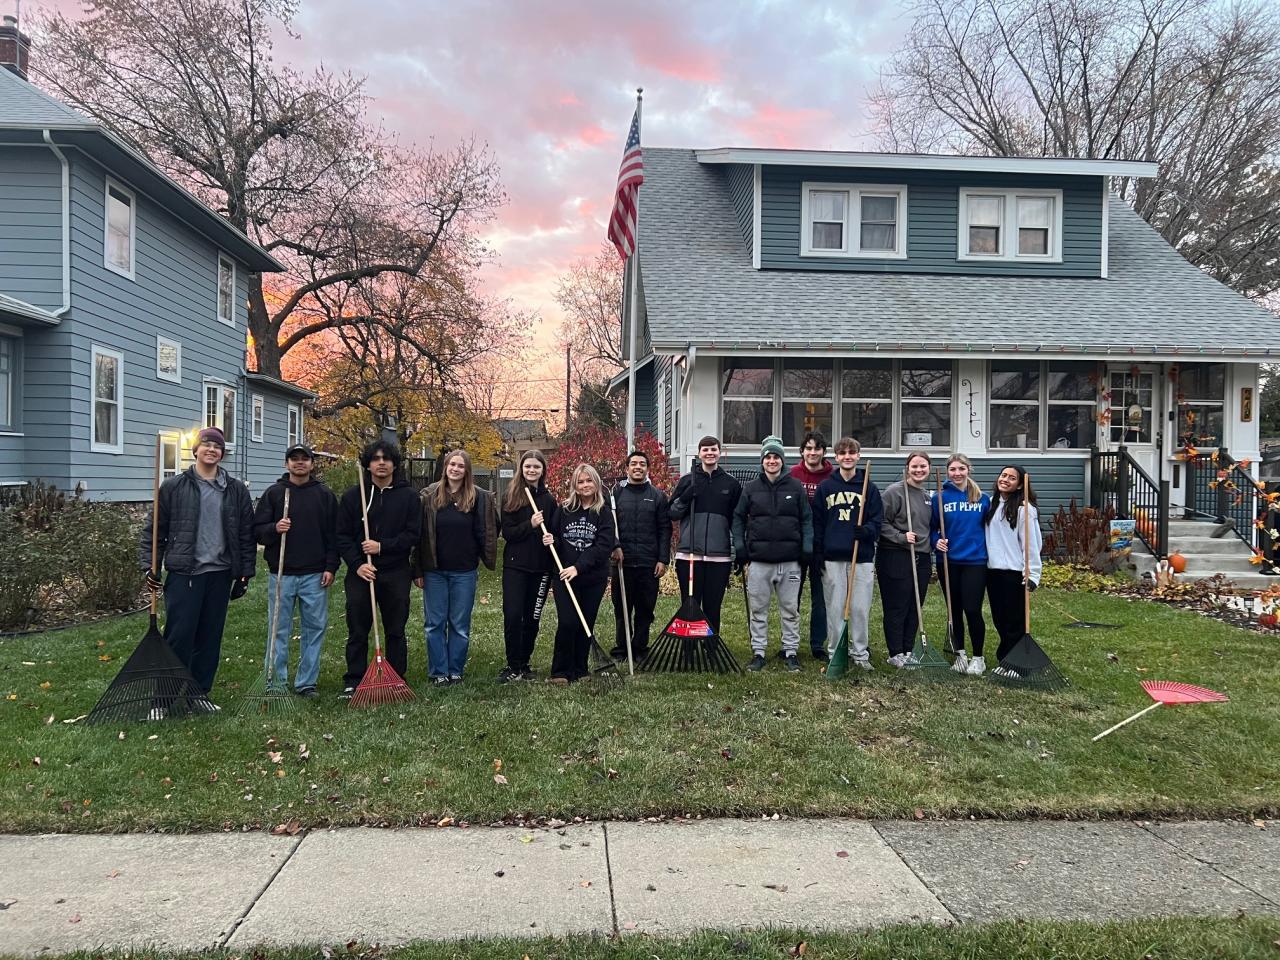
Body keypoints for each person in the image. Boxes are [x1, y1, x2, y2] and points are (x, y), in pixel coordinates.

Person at [140, 426, 254, 698]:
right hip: (185, 574)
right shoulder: (174, 487)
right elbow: (154, 531)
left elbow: (245, 534)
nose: (211, 449)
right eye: (206, 445)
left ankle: (198, 694)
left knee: (209, 638)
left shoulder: (236, 490)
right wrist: (150, 566)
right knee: (179, 637)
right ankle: (164, 699)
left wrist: (245, 574)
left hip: (220, 574)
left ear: (222, 453)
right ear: (196, 450)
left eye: (217, 446)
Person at [251, 443, 339, 697]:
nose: (299, 462)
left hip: (315, 574)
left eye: (304, 458)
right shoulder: (274, 494)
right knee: (278, 629)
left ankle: (306, 682)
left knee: (314, 629)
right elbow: (257, 531)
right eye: (294, 458)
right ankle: (275, 680)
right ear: (286, 463)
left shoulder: (324, 495)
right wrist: (274, 528)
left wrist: (330, 566)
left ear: (312, 463)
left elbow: (334, 535)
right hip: (282, 574)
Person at [335, 440, 421, 697]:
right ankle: (354, 678)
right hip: (361, 573)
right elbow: (342, 536)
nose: (381, 463)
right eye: (375, 458)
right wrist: (358, 564)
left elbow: (413, 535)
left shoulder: (409, 497)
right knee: (358, 628)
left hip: (396, 571)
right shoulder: (354, 496)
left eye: (386, 458)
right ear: (368, 464)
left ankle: (396, 677)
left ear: (394, 464)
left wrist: (382, 547)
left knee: (396, 628)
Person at [412, 450, 496, 686]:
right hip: (435, 570)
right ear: (445, 467)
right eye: (452, 465)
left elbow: (489, 529)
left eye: (461, 466)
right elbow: (419, 536)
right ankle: (439, 672)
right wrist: (417, 570)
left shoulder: (478, 497)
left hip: (464, 571)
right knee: (434, 624)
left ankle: (455, 670)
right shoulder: (429, 495)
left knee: (459, 624)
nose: (456, 469)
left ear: (466, 470)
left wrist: (482, 554)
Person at [733, 435, 813, 672]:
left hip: (790, 561)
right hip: (759, 561)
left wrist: (807, 547)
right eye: (767, 457)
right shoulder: (751, 488)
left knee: (790, 609)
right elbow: (737, 518)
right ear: (762, 461)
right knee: (758, 610)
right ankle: (758, 652)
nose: (772, 461)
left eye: (776, 457)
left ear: (782, 460)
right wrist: (740, 547)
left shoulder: (795, 487)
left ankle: (790, 652)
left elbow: (806, 519)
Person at [812, 437, 882, 670]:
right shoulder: (826, 487)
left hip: (860, 557)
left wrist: (867, 530)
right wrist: (818, 552)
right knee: (835, 608)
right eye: (842, 453)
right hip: (832, 557)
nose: (847, 457)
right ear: (836, 457)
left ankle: (860, 653)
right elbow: (818, 523)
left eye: (852, 452)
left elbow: (877, 520)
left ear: (858, 456)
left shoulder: (868, 487)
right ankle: (836, 652)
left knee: (860, 608)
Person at [542, 463, 615, 684]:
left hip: (593, 577)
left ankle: (580, 669)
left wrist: (579, 567)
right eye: (580, 481)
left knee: (586, 622)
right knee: (568, 622)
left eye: (589, 480)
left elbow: (603, 547)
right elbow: (555, 536)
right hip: (565, 576)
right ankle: (560, 671)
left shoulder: (604, 512)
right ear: (574, 485)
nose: (585, 485)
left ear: (596, 483)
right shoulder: (564, 510)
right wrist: (550, 540)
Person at [667, 435, 742, 634]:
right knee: (690, 604)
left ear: (720, 452)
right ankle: (690, 645)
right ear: (699, 454)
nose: (709, 453)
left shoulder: (731, 484)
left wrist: (740, 548)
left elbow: (737, 519)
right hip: (689, 555)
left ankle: (710, 644)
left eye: (713, 449)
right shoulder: (687, 481)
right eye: (705, 449)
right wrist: (685, 497)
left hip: (719, 556)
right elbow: (672, 513)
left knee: (713, 606)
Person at [498, 449, 557, 682]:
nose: (532, 470)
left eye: (536, 467)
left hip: (541, 568)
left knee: (532, 618)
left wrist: (551, 537)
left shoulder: (549, 500)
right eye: (528, 466)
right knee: (513, 615)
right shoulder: (511, 496)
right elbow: (508, 533)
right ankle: (512, 664)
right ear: (521, 469)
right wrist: (530, 524)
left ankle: (524, 663)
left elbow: (554, 530)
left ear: (543, 470)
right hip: (516, 566)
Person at [930, 453, 991, 676]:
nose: (957, 473)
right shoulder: (939, 498)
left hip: (975, 561)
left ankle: (978, 657)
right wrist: (936, 541)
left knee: (972, 609)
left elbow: (992, 528)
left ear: (968, 470)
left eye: (961, 469)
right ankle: (960, 655)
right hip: (949, 561)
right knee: (954, 610)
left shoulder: (983, 498)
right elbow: (932, 528)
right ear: (947, 472)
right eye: (953, 469)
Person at [609, 449, 670, 662]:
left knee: (645, 609)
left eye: (642, 464)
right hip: (622, 563)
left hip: (648, 563)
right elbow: (608, 525)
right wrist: (615, 546)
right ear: (627, 468)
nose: (637, 467)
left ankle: (640, 648)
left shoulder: (658, 496)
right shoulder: (616, 495)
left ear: (647, 469)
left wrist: (663, 559)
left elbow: (664, 529)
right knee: (622, 608)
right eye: (633, 464)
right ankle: (622, 648)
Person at [878, 452, 934, 668]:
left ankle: (908, 649)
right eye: (914, 466)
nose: (919, 470)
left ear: (929, 468)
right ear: (907, 468)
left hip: (922, 556)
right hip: (896, 555)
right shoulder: (895, 492)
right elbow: (880, 521)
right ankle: (895, 652)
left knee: (915, 606)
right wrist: (900, 536)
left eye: (923, 466)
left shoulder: (928, 496)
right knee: (897, 605)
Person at [982, 464, 1042, 663]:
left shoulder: (1025, 509)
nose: (1005, 480)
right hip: (993, 571)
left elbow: (1032, 544)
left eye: (1012, 478)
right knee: (999, 619)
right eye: (1003, 475)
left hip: (1014, 573)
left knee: (1014, 622)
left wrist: (1032, 573)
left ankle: (1016, 663)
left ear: (1020, 485)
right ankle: (1006, 659)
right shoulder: (991, 505)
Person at [790, 431, 833, 662]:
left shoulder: (832, 477)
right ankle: (790, 643)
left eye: (817, 448)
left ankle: (818, 644)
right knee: (791, 597)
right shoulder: (792, 475)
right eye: (808, 448)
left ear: (824, 452)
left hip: (822, 545)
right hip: (796, 545)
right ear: (802, 451)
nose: (812, 452)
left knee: (820, 598)